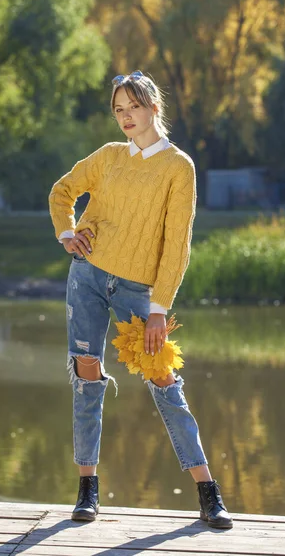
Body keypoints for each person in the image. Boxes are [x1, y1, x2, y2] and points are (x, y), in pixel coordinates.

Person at [48, 70, 232, 529]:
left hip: (138, 290)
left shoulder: (179, 167)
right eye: (119, 110)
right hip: (87, 277)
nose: (126, 118)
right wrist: (68, 232)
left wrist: (157, 310)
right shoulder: (109, 156)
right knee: (86, 376)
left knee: (165, 381)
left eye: (133, 107)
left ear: (154, 107)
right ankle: (87, 489)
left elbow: (177, 245)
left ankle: (208, 492)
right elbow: (61, 191)